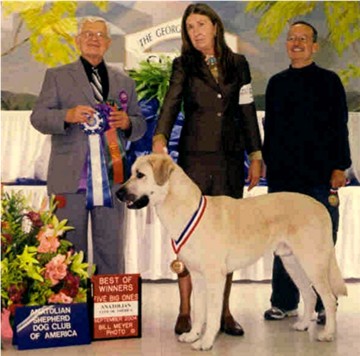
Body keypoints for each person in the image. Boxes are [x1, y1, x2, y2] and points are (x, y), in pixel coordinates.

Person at [152, 3, 262, 336]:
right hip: (193, 161)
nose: (196, 32)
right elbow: (171, 101)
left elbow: (246, 108)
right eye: (190, 28)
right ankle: (185, 310)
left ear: (215, 26)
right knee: (189, 237)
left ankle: (223, 312)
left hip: (230, 160)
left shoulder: (238, 64)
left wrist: (255, 153)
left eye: (201, 24)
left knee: (224, 239)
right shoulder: (183, 64)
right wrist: (160, 136)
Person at [30, 16, 146, 274]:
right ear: (77, 41)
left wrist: (127, 122)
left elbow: (140, 126)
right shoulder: (56, 76)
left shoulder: (124, 81)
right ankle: (73, 311)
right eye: (88, 34)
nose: (94, 39)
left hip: (112, 179)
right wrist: (66, 116)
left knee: (111, 249)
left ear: (108, 43)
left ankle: (108, 311)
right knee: (66, 253)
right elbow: (37, 117)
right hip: (68, 179)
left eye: (100, 35)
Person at [262, 21, 351, 324]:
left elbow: (339, 126)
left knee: (319, 242)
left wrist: (340, 165)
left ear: (315, 46)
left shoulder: (329, 81)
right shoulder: (276, 83)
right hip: (284, 178)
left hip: (320, 177)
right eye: (291, 38)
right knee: (282, 243)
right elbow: (270, 132)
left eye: (303, 39)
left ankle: (326, 303)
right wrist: (267, 167)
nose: (296, 43)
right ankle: (283, 302)